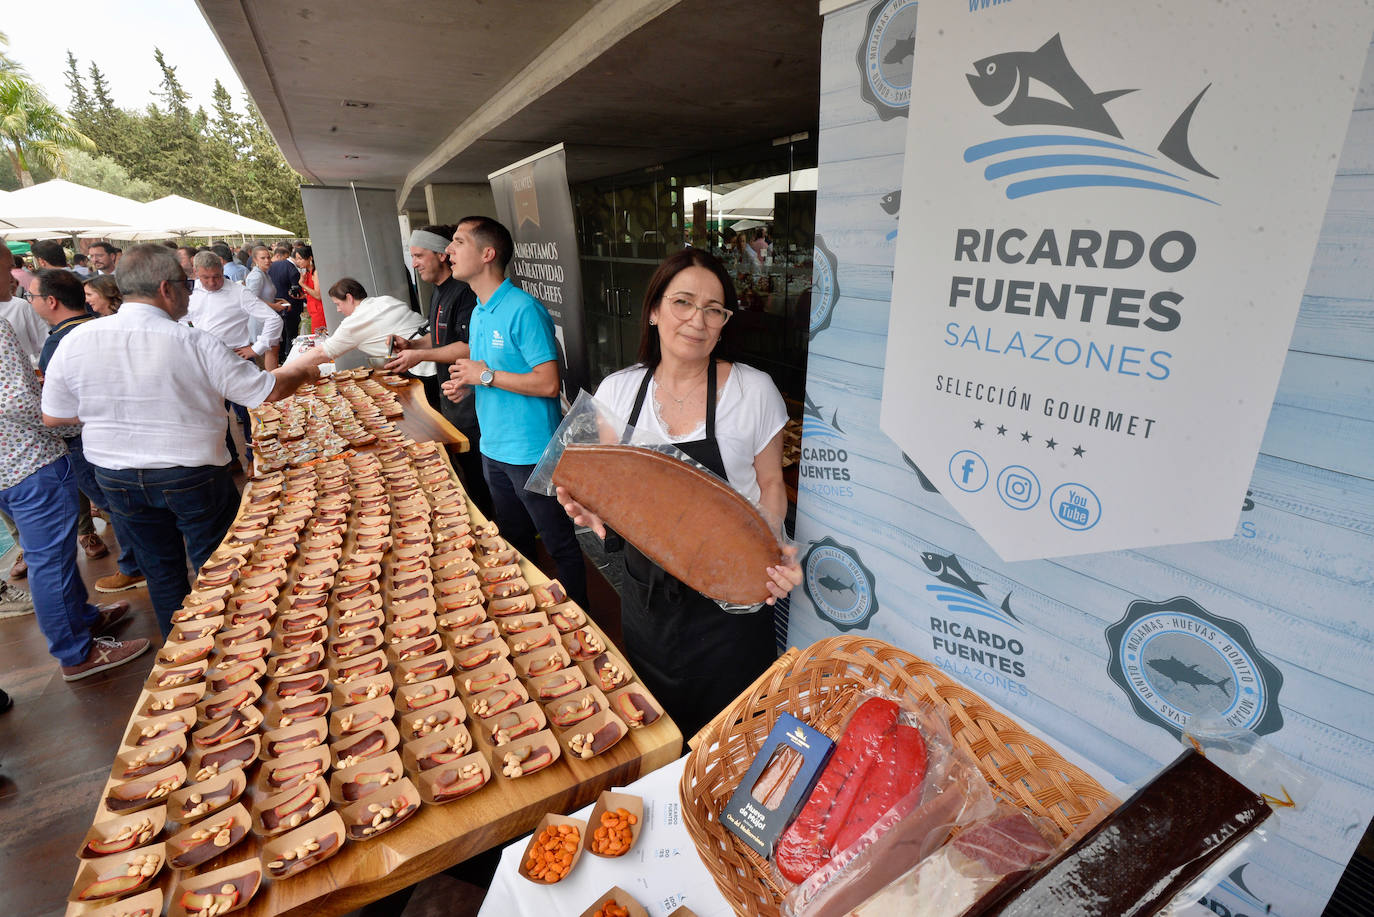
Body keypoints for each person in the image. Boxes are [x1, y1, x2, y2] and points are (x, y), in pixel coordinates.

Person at [556, 248, 802, 740]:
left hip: (729, 597)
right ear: (653, 309)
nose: (698, 320)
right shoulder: (618, 391)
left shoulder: (755, 391)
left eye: (715, 309)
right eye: (683, 302)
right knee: (660, 731)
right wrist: (583, 506)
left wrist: (771, 544)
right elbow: (600, 488)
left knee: (733, 739)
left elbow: (772, 484)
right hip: (647, 599)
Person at [41, 244, 319, 634]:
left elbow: (54, 413)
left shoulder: (76, 340)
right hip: (191, 473)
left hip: (116, 474)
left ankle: (186, 649)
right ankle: (233, 643)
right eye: (185, 284)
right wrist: (303, 369)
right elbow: (265, 392)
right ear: (165, 289)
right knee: (219, 561)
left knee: (161, 569)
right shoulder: (191, 341)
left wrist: (114, 410)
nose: (191, 291)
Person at [442, 216, 587, 611]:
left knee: (559, 544)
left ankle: (582, 623)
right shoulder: (479, 310)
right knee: (515, 541)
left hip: (532, 453)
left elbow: (548, 383)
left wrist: (484, 375)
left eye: (457, 242)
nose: (448, 252)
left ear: (487, 254)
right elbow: (488, 368)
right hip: (493, 449)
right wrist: (467, 381)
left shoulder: (524, 309)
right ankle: (533, 619)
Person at [1, 317, 147, 680]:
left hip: (10, 467)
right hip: (27, 461)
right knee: (50, 562)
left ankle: (80, 618)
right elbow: (18, 402)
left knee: (51, 558)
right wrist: (76, 421)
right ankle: (76, 652)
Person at [29, 269, 148, 594]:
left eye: (33, 296)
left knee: (113, 504)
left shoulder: (59, 341)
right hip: (122, 428)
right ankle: (141, 561)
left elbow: (56, 409)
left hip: (86, 438)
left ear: (51, 301)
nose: (31, 302)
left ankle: (134, 566)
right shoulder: (105, 326)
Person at [386, 226, 493, 516]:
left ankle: (496, 527)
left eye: (419, 255)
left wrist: (418, 355)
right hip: (453, 398)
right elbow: (441, 335)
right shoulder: (439, 291)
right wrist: (411, 343)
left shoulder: (464, 292)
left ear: (441, 255)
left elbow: (469, 346)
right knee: (469, 474)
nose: (415, 263)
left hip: (471, 400)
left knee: (481, 478)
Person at [188, 250, 283, 466]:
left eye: (217, 276)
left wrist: (256, 348)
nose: (212, 282)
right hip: (204, 362)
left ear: (223, 270)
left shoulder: (239, 292)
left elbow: (273, 319)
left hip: (236, 358)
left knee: (252, 412)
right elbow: (182, 320)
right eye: (206, 278)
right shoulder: (191, 293)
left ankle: (255, 459)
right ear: (196, 273)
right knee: (214, 416)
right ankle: (229, 462)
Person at [287, 277, 434, 375]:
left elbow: (321, 353)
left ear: (349, 298)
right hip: (438, 353)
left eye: (338, 304)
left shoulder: (356, 321)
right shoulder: (386, 300)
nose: (338, 310)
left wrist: (284, 371)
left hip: (423, 369)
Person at [268, 242, 304, 361]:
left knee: (281, 334)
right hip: (290, 306)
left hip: (276, 304)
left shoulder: (272, 266)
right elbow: (296, 290)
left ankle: (282, 357)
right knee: (291, 334)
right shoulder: (291, 268)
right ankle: (290, 358)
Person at [292, 244, 327, 333]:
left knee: (318, 337)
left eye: (300, 258)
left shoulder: (315, 272)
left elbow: (318, 295)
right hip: (313, 310)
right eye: (296, 259)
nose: (298, 261)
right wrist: (303, 296)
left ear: (310, 258)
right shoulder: (307, 273)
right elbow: (311, 293)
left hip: (319, 311)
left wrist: (302, 284)